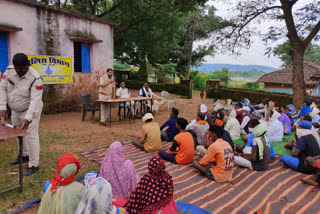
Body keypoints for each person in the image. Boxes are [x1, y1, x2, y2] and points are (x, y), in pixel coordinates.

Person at [0, 53, 43, 176]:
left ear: (27, 65)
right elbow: (2, 87)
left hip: (30, 110)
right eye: (17, 68)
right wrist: (2, 106)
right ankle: (24, 155)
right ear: (14, 66)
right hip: (15, 110)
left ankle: (34, 164)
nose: (19, 71)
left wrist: (28, 119)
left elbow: (35, 101)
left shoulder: (36, 78)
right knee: (18, 133)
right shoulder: (9, 71)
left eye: (22, 69)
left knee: (31, 135)